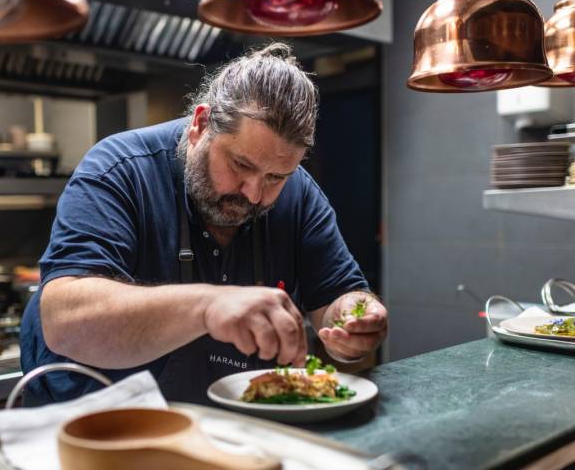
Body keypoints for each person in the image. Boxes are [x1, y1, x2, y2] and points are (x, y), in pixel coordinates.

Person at [20, 42, 388, 405]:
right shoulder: (119, 169)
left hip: (223, 433)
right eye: (240, 166)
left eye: (276, 177)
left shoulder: (300, 195)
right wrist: (208, 305)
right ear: (200, 124)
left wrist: (353, 319)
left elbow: (338, 298)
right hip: (93, 427)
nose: (255, 194)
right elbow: (63, 319)